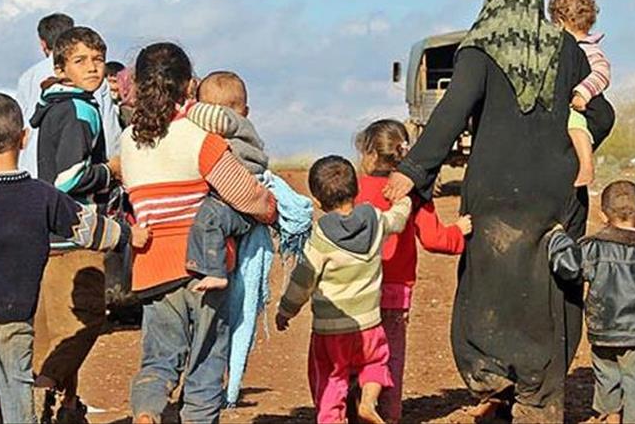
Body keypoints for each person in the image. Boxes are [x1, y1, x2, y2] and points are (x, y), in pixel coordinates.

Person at [382, 0, 615, 422]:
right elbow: (602, 113)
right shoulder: (567, 50)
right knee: (552, 284)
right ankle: (540, 396)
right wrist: (574, 148)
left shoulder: (478, 48)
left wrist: (413, 169)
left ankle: (493, 380)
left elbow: (452, 113)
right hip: (556, 192)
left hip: (494, 191)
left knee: (489, 284)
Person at [0, 93, 143, 424]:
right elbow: (89, 230)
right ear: (24, 138)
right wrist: (127, 234)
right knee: (17, 385)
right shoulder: (43, 196)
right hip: (18, 313)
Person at [121, 42, 276, 423]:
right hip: (203, 266)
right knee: (206, 361)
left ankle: (147, 411)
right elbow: (244, 194)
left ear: (138, 85)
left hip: (152, 268)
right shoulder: (199, 137)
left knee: (158, 359)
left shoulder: (127, 141)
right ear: (190, 86)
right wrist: (271, 208)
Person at [29, 25, 123, 423]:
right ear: (60, 68)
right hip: (76, 234)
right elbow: (68, 178)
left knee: (54, 329)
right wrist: (110, 171)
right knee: (86, 321)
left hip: (49, 234)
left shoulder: (53, 106)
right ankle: (45, 387)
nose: (93, 68)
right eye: (80, 61)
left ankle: (64, 406)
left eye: (98, 60)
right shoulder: (80, 109)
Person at [276, 155, 410, 424]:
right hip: (369, 325)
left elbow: (303, 281)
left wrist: (285, 311)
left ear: (317, 201)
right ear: (356, 189)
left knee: (331, 380)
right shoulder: (374, 220)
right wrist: (403, 200)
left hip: (330, 332)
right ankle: (368, 402)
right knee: (375, 363)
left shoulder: (319, 238)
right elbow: (398, 219)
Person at [354, 119, 471, 423]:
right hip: (395, 291)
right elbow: (434, 239)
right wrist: (459, 231)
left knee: (355, 351)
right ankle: (389, 414)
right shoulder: (412, 194)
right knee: (390, 354)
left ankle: (351, 408)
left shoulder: (354, 190)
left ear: (369, 153)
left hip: (356, 290)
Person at [548, 180, 635, 424]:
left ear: (603, 216)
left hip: (602, 331)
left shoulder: (593, 247)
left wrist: (558, 237)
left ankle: (610, 416)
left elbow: (568, 266)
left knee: (607, 376)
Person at [183, 71, 271, 291]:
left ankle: (214, 271)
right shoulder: (240, 122)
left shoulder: (230, 121)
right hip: (241, 198)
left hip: (239, 199)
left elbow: (208, 116)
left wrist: (187, 107)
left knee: (209, 218)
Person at [549, 0, 611, 187]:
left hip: (578, 106)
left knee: (575, 125)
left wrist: (582, 94)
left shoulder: (587, 49)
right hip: (570, 104)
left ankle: (586, 166)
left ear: (560, 22)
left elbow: (601, 73)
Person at [16, 12, 75, 176]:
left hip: (33, 164)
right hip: (80, 168)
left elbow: (20, 122)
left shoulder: (29, 77)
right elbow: (109, 130)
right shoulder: (92, 74)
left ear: (42, 43)